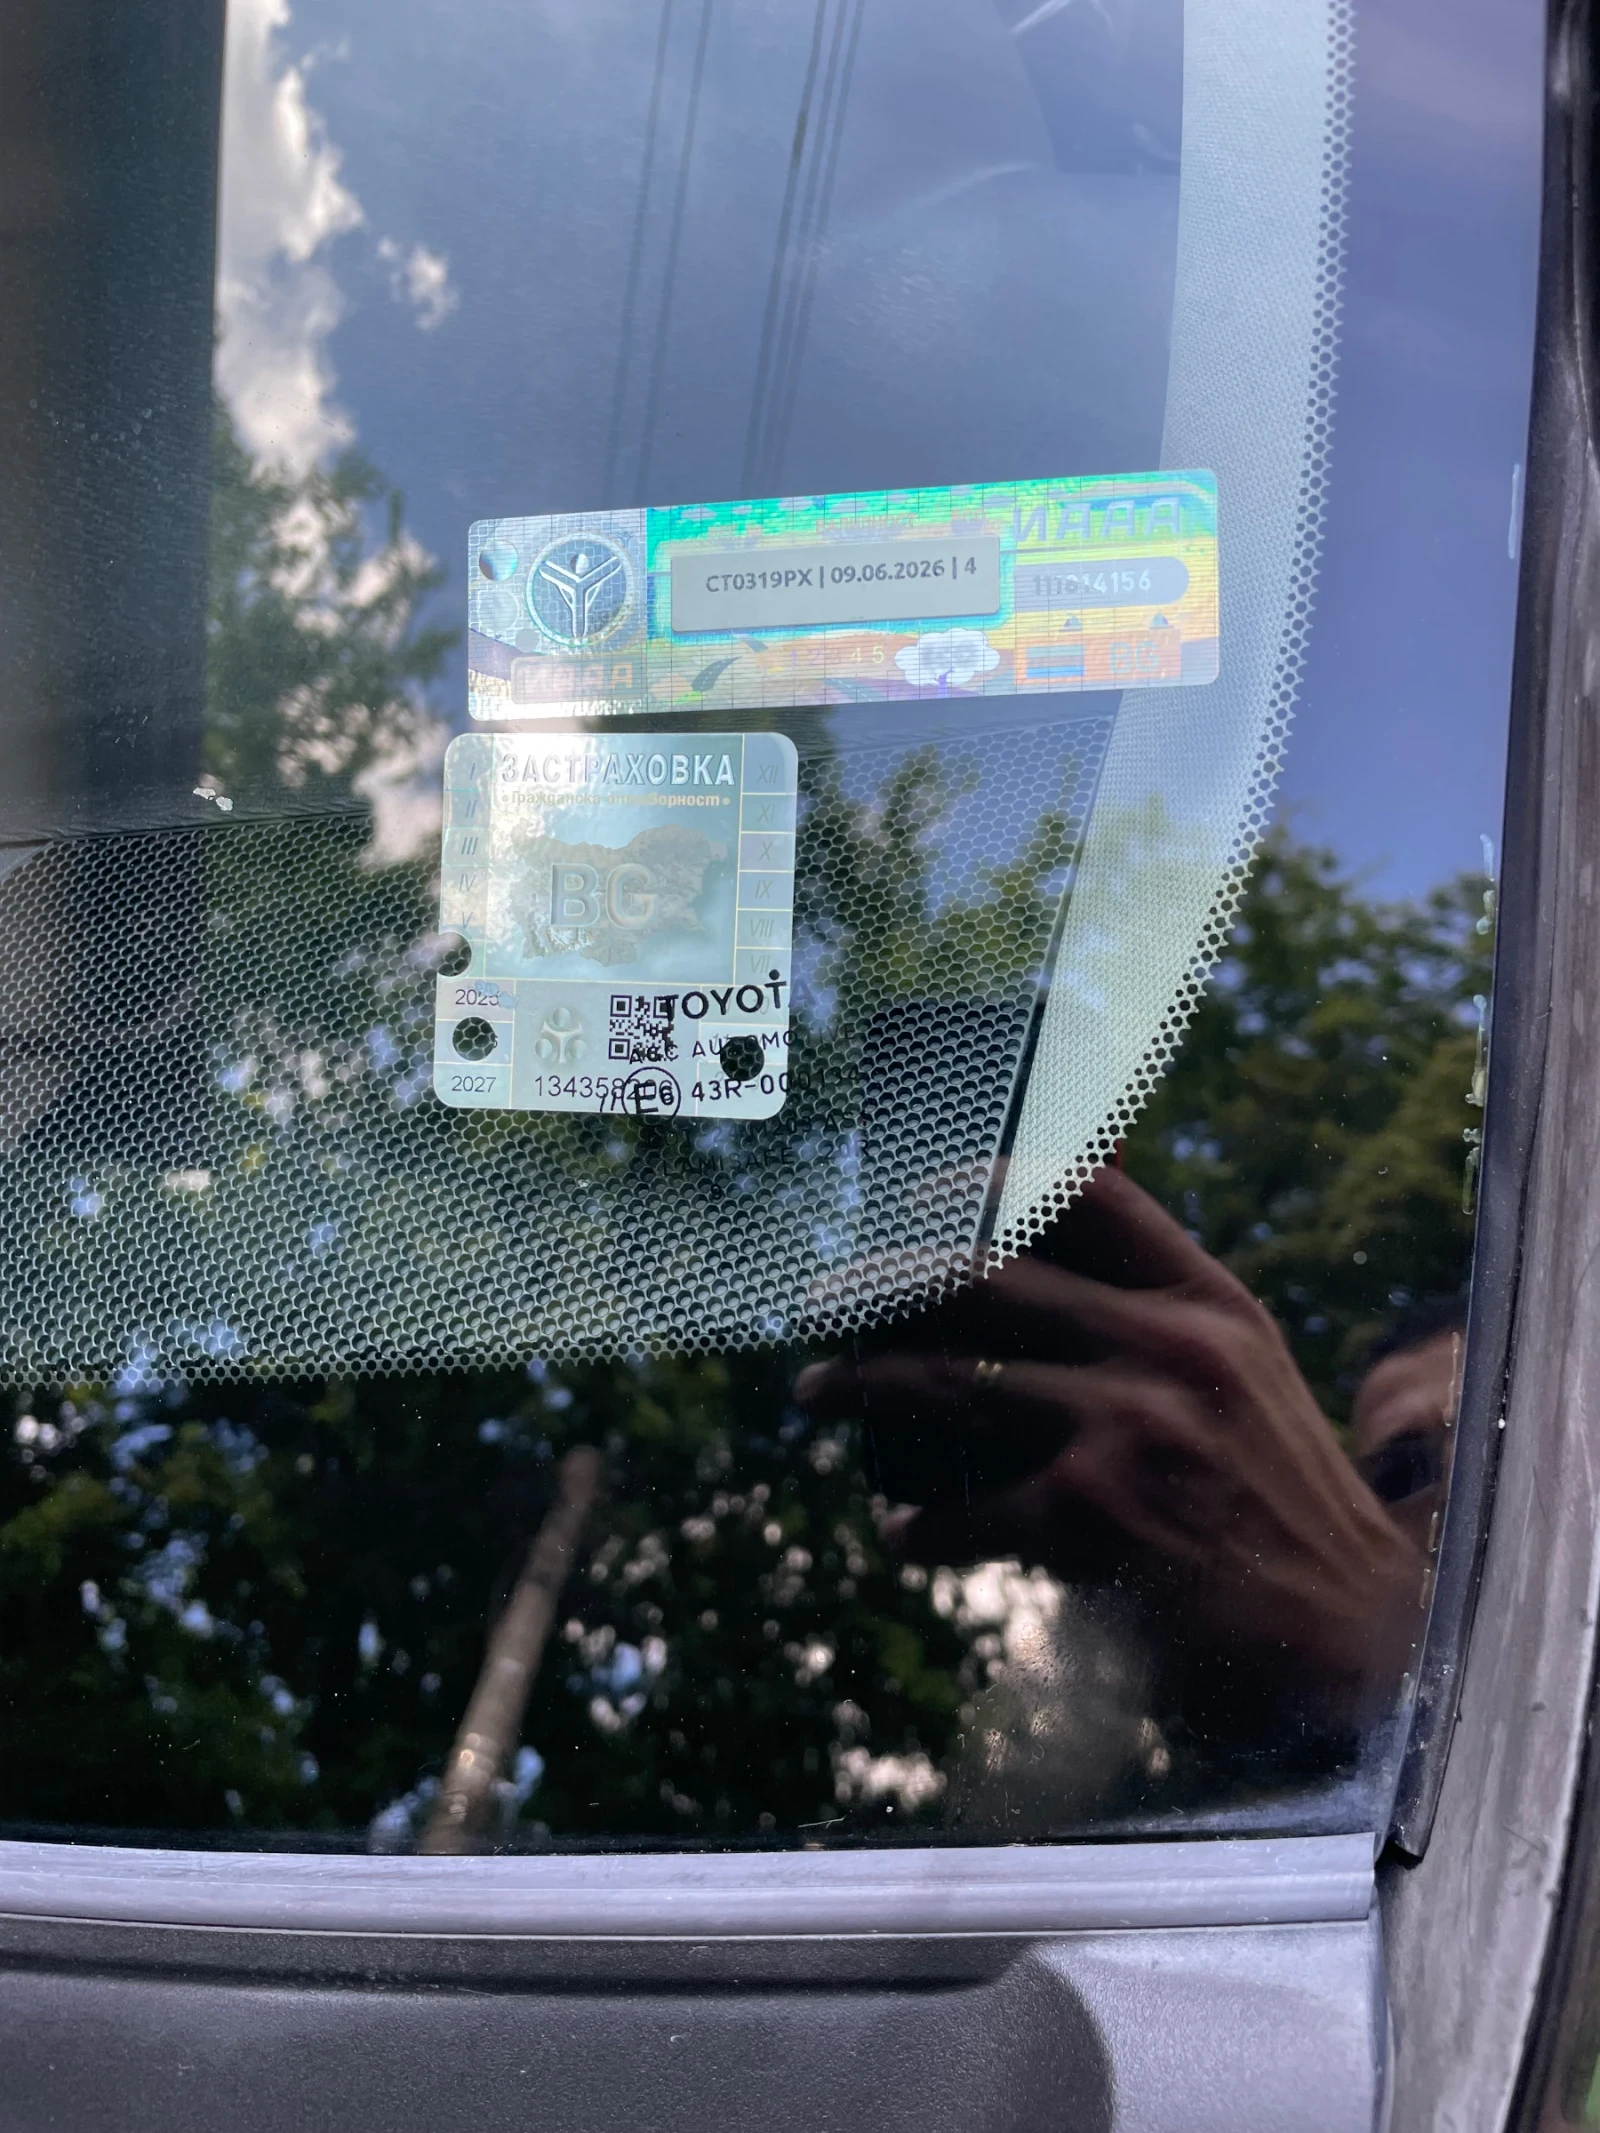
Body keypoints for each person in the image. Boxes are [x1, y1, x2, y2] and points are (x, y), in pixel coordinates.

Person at [794, 1166, 1461, 1821]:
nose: (1460, 1498)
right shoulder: (1288, 1798)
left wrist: (1372, 1643)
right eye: (1403, 1473)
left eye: (1499, 1441)